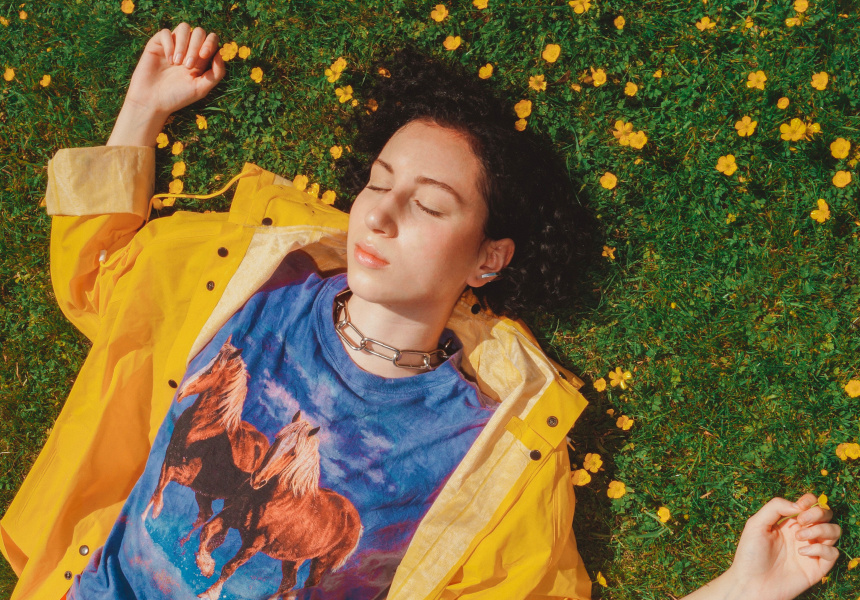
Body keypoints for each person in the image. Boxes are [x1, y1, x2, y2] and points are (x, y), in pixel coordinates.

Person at [0, 23, 840, 600]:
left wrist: (742, 588)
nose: (382, 213)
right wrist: (142, 109)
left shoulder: (492, 449)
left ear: (486, 258)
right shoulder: (251, 278)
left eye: (431, 205)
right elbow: (102, 276)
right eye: (379, 182)